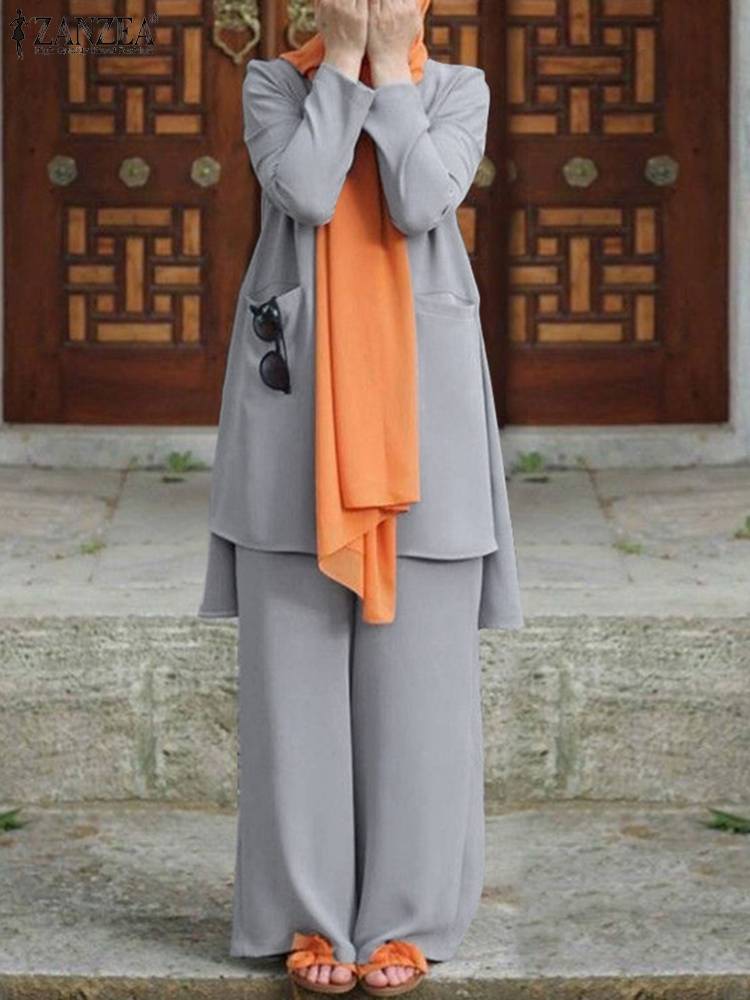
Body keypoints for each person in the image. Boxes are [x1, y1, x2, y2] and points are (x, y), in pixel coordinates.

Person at [198, 0, 525, 995]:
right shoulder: (273, 83)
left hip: (422, 420)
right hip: (297, 416)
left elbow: (421, 199)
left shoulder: (458, 89)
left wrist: (389, 72)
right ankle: (308, 917)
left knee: (421, 691)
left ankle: (406, 922)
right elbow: (305, 188)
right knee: (293, 690)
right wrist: (341, 64)